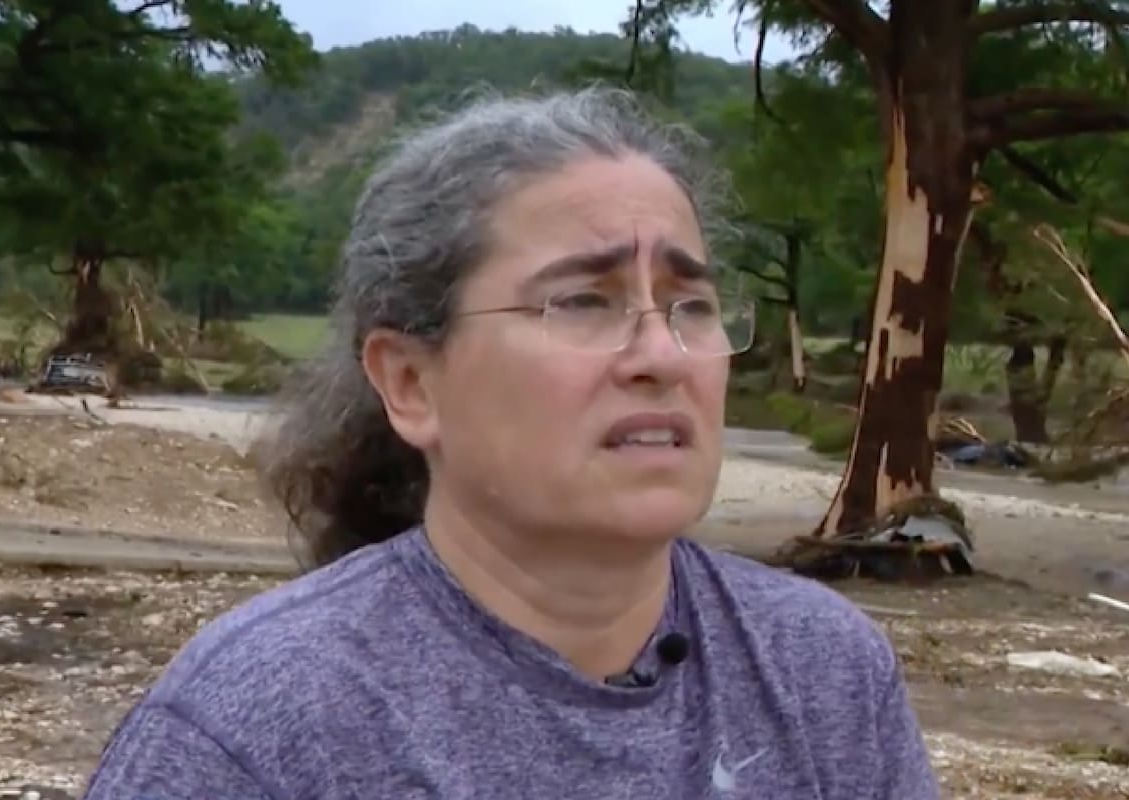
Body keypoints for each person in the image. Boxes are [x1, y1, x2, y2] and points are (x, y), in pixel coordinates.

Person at [81, 87, 939, 799]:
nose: (661, 355)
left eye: (692, 305)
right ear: (411, 383)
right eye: (581, 301)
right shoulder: (261, 727)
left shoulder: (823, 673)